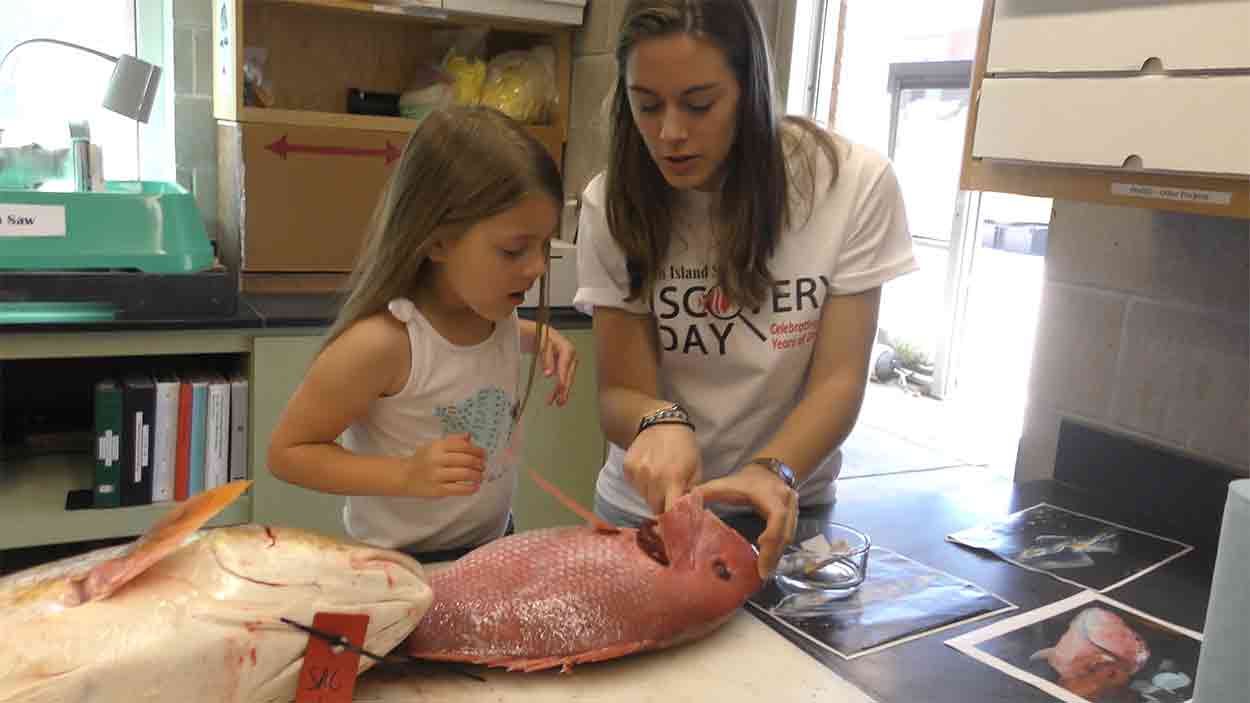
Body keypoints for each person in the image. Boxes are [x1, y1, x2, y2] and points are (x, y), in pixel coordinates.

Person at [574, 0, 918, 578]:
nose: (671, 133)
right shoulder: (611, 204)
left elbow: (838, 381)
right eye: (647, 105)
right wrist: (660, 420)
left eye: (700, 103)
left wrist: (774, 471)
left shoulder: (850, 185)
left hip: (787, 508)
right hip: (647, 516)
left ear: (751, 89)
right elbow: (618, 395)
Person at [269, 106, 578, 563]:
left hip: (493, 548)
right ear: (436, 242)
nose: (535, 267)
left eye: (543, 246)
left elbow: (470, 348)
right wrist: (405, 475)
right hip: (399, 566)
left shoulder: (493, 311)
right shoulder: (382, 344)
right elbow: (288, 452)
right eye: (514, 249)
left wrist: (540, 336)